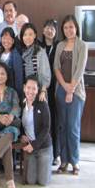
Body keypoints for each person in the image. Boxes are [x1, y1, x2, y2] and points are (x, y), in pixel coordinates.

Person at [54, 15, 88, 175]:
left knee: (73, 127)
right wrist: (64, 86)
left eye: (71, 27)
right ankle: (64, 161)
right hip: (61, 89)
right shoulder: (60, 45)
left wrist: (71, 89)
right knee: (62, 126)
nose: (68, 30)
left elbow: (80, 69)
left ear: (76, 28)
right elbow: (56, 68)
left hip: (76, 91)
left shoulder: (82, 45)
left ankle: (75, 161)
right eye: (66, 27)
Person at [20, 75, 53, 186]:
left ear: (38, 90)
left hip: (43, 147)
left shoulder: (42, 103)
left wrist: (34, 145)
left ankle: (47, 165)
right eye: (28, 88)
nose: (31, 91)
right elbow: (20, 124)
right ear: (24, 88)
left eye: (34, 88)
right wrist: (22, 135)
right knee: (31, 181)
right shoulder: (22, 103)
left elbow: (46, 127)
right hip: (30, 149)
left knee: (43, 182)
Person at [39, 18, 60, 163]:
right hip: (40, 88)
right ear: (43, 30)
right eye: (47, 27)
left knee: (54, 119)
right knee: (42, 120)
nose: (49, 30)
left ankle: (56, 154)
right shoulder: (38, 46)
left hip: (56, 87)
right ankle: (42, 151)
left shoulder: (59, 46)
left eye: (52, 28)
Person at [20, 23, 51, 102]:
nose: (27, 37)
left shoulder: (40, 51)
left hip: (39, 92)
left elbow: (46, 74)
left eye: (30, 34)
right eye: (25, 34)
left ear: (35, 35)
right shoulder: (22, 53)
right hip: (26, 92)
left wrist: (43, 91)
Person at [0, 27, 24, 98]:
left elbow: (18, 78)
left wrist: (18, 97)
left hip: (10, 93)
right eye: (4, 38)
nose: (6, 41)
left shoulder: (15, 55)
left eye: (9, 39)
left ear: (13, 41)